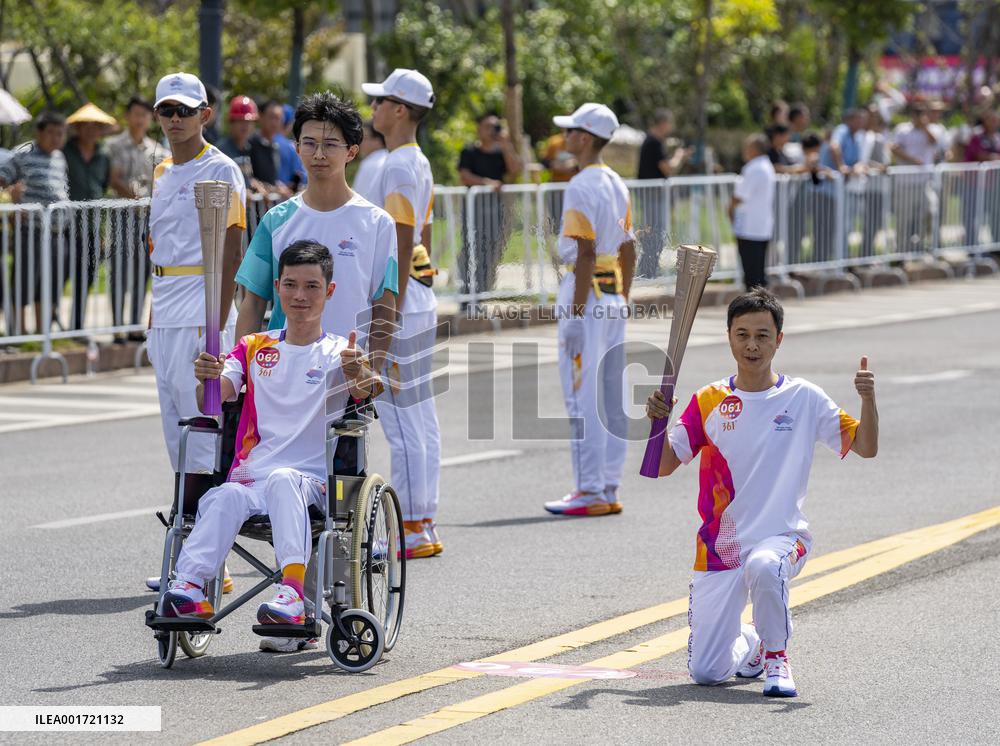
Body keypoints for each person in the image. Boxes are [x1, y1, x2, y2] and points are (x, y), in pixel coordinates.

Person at [645, 288, 878, 697]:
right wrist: (657, 422)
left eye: (762, 335)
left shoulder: (803, 398)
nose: (752, 345)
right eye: (742, 334)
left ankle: (776, 657)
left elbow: (866, 447)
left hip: (783, 538)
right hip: (721, 549)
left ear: (779, 339)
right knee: (706, 673)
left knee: (766, 565)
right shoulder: (709, 400)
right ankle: (752, 645)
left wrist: (868, 399)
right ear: (729, 337)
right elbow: (662, 466)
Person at [159, 241, 379, 625]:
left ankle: (293, 595)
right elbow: (213, 403)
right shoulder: (252, 347)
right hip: (252, 479)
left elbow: (369, 389)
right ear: (277, 286)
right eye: (291, 284)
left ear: (329, 291)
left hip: (312, 483)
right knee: (225, 494)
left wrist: (359, 373)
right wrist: (207, 379)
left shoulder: (340, 352)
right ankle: (189, 589)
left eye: (312, 286)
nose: (300, 296)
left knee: (282, 479)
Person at [143, 71, 247, 593]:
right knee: (176, 437)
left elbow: (234, 244)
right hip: (165, 310)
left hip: (203, 312)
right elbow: (157, 246)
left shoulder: (221, 168)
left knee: (204, 434)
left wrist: (218, 320)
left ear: (205, 114)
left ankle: (206, 560)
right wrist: (151, 310)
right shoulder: (160, 170)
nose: (175, 119)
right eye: (167, 110)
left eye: (185, 110)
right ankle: (198, 550)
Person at [362, 67, 443, 558]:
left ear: (399, 110)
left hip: (402, 300)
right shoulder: (414, 160)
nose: (372, 110)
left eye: (379, 102)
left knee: (400, 419)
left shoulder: (395, 164)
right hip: (415, 295)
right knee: (419, 415)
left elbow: (400, 237)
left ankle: (412, 525)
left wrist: (384, 305)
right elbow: (421, 241)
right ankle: (421, 520)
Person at [542, 103, 636, 517]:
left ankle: (589, 489)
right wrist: (625, 297)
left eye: (571, 131)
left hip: (589, 295)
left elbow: (584, 252)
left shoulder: (581, 184)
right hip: (612, 294)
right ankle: (608, 484)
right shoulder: (617, 183)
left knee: (583, 396)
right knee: (610, 395)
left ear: (585, 137)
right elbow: (629, 247)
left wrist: (578, 315)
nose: (565, 137)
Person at [0, 111, 68, 335]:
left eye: (61, 133)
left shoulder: (59, 157)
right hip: (30, 229)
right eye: (52, 133)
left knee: (50, 281)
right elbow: (3, 178)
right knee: (23, 280)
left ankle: (42, 332)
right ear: (39, 133)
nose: (57, 138)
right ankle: (17, 331)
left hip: (56, 230)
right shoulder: (24, 153)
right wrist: (13, 197)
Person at [108, 95, 163, 341]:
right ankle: (117, 326)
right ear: (128, 116)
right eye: (136, 114)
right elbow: (114, 178)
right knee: (120, 270)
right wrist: (134, 196)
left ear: (151, 118)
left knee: (142, 271)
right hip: (122, 216)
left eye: (144, 115)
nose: (140, 119)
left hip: (147, 219)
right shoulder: (115, 145)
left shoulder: (157, 149)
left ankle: (133, 325)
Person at [457, 112, 523, 299]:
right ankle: (467, 293)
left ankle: (482, 292)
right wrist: (486, 183)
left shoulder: (501, 152)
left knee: (491, 248)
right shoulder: (469, 151)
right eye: (488, 127)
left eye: (495, 127)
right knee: (471, 248)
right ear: (479, 130)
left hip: (495, 208)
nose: (492, 131)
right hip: (473, 209)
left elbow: (515, 171)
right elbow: (464, 176)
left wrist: (507, 146)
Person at [63, 103, 116, 331]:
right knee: (61, 273)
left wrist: (103, 231)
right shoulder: (65, 152)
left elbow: (102, 187)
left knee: (88, 276)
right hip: (65, 224)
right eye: (86, 126)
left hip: (93, 225)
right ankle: (52, 319)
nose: (91, 131)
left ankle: (77, 324)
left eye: (96, 127)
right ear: (78, 128)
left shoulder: (104, 156)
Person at [636, 108, 688, 278]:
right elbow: (668, 168)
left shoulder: (651, 141)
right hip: (654, 196)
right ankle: (647, 272)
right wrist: (679, 156)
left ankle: (648, 270)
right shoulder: (654, 142)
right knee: (655, 235)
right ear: (664, 123)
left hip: (653, 196)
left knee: (655, 234)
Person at [729, 134, 775, 289]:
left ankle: (755, 308)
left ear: (755, 149)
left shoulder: (754, 167)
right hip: (761, 226)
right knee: (758, 272)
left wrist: (729, 208)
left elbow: (740, 196)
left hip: (750, 227)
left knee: (752, 275)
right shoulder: (766, 166)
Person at [217, 96, 275, 194]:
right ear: (231, 123)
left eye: (249, 122)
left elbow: (245, 178)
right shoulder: (222, 151)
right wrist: (241, 193)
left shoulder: (247, 148)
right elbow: (218, 184)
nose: (245, 126)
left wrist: (257, 185)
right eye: (240, 120)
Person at [963, 109, 1000, 245]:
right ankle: (971, 247)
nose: (995, 123)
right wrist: (993, 158)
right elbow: (978, 155)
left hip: (993, 185)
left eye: (996, 120)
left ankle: (995, 246)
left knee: (995, 216)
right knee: (972, 217)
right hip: (973, 184)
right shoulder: (976, 136)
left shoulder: (996, 137)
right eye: (992, 120)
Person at [256, 99, 298, 198]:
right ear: (260, 117)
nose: (275, 122)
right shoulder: (250, 145)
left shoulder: (275, 146)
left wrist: (279, 186)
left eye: (278, 118)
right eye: (271, 117)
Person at [264, 100, 306, 193]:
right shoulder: (292, 147)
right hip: (284, 198)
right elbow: (302, 177)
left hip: (265, 194)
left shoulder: (264, 142)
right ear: (289, 123)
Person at [351, 120, 388, 202]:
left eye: (364, 138)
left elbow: (358, 200)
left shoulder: (370, 164)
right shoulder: (391, 159)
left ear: (378, 141)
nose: (359, 143)